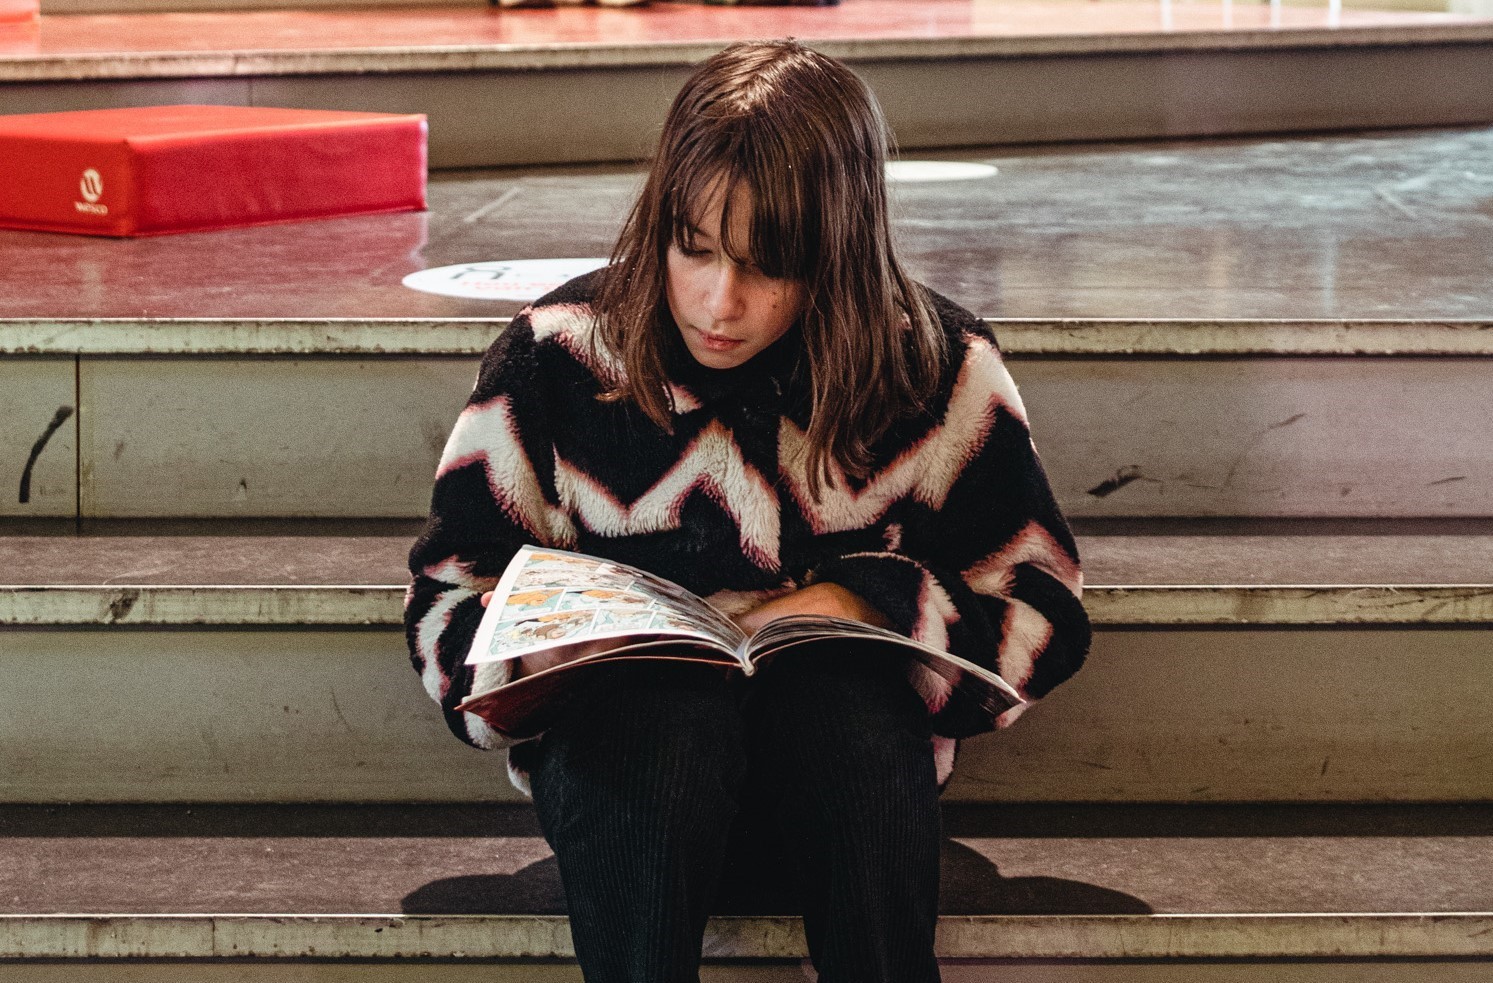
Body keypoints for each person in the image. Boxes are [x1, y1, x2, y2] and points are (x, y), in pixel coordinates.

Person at [405, 39, 1090, 983]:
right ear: (661, 225)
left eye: (769, 268)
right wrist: (556, 650)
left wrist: (864, 606)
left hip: (849, 809)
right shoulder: (558, 357)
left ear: (836, 257)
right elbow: (449, 597)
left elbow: (1039, 607)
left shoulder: (932, 366)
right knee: (661, 719)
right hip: (632, 810)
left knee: (840, 702)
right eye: (694, 250)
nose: (719, 302)